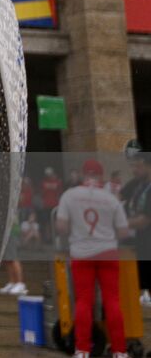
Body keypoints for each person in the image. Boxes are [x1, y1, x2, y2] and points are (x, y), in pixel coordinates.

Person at [57, 159, 131, 358]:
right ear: (100, 176)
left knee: (83, 302)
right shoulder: (111, 199)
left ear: (83, 175)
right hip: (108, 253)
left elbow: (61, 227)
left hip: (81, 254)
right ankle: (119, 351)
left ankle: (82, 350)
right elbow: (124, 231)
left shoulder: (69, 196)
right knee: (113, 301)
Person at [123, 152, 151, 306]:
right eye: (132, 166)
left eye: (137, 166)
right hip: (140, 241)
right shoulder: (136, 184)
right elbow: (118, 196)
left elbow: (145, 220)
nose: (134, 170)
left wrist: (121, 224)